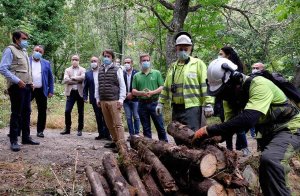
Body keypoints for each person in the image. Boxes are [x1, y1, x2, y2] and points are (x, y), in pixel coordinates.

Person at [193, 57, 300, 196]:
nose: (224, 97)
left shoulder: (259, 85)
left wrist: (209, 129)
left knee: (272, 160)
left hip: (290, 127)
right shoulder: (230, 98)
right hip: (269, 131)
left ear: (235, 79)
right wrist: (211, 139)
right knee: (266, 171)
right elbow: (230, 127)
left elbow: (248, 119)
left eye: (224, 91)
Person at [157, 32, 214, 136]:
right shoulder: (173, 67)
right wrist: (160, 103)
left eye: (185, 49)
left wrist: (208, 103)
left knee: (191, 136)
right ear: (176, 49)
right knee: (178, 134)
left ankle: (195, 152)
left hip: (192, 107)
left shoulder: (198, 64)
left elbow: (205, 85)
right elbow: (166, 87)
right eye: (180, 48)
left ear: (190, 49)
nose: (183, 51)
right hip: (176, 107)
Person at [0, 30, 40, 151]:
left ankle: (26, 137)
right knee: (16, 113)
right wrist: (17, 80)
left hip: (27, 86)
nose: (25, 41)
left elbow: (26, 70)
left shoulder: (23, 51)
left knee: (27, 112)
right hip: (17, 87)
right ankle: (14, 140)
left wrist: (31, 81)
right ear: (16, 39)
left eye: (26, 39)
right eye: (23, 38)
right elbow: (3, 68)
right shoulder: (9, 50)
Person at [218, 46, 250, 156]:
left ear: (228, 55)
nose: (219, 56)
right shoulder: (220, 67)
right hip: (225, 100)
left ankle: (243, 147)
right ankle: (229, 149)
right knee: (227, 125)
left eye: (221, 54)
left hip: (236, 100)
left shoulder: (235, 68)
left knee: (238, 125)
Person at [95, 49, 126, 151]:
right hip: (103, 100)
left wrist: (121, 99)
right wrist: (97, 98)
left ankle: (122, 145)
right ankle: (115, 141)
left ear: (112, 58)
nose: (106, 58)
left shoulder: (117, 69)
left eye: (108, 56)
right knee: (109, 124)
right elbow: (97, 85)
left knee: (117, 124)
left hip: (114, 100)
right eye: (104, 56)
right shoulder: (100, 69)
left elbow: (122, 85)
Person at [132, 53, 168, 142]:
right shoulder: (137, 76)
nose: (146, 62)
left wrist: (152, 92)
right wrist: (142, 93)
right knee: (146, 128)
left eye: (148, 60)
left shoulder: (156, 73)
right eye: (144, 60)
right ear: (140, 62)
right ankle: (149, 147)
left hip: (155, 103)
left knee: (160, 126)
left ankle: (165, 145)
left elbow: (162, 87)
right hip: (142, 104)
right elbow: (133, 91)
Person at [83, 56, 111, 140]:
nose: (93, 62)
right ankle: (101, 133)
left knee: (106, 116)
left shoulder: (103, 71)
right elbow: (85, 87)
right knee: (98, 116)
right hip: (94, 98)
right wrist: (85, 96)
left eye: (95, 61)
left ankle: (107, 134)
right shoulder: (88, 74)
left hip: (104, 97)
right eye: (92, 61)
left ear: (98, 62)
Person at [30, 45, 54, 138]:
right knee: (23, 109)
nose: (38, 52)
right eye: (36, 50)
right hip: (29, 89)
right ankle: (19, 129)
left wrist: (51, 90)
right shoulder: (27, 61)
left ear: (42, 53)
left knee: (42, 110)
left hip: (42, 90)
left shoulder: (46, 63)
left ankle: (40, 131)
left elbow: (50, 78)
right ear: (33, 50)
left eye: (40, 51)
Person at [61, 55, 86, 136]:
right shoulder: (67, 70)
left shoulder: (83, 69)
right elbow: (65, 80)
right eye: (73, 59)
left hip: (80, 93)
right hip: (70, 93)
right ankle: (67, 128)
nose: (74, 61)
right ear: (71, 60)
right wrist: (77, 80)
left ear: (79, 60)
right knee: (67, 111)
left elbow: (83, 77)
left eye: (76, 59)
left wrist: (73, 78)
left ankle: (80, 129)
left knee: (80, 112)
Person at [123, 57, 140, 139]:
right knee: (128, 117)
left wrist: (133, 94)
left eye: (128, 62)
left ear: (132, 63)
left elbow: (139, 86)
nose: (127, 64)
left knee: (136, 116)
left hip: (135, 99)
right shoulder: (122, 73)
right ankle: (131, 134)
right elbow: (120, 86)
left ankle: (137, 134)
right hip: (125, 99)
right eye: (125, 62)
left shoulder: (137, 73)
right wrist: (126, 94)